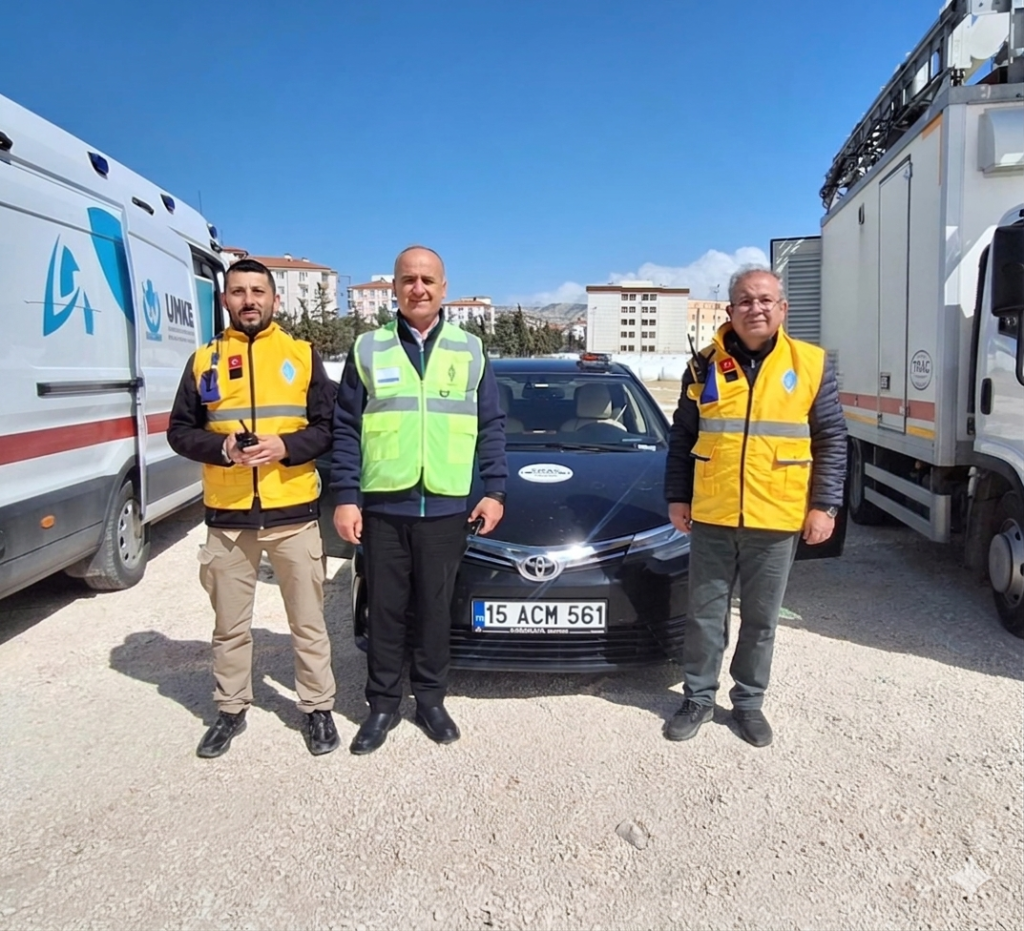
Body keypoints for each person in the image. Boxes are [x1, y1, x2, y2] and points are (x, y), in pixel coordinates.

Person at [331, 245, 507, 755]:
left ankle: (430, 700)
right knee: (385, 611)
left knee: (435, 610)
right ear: (394, 288)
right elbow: (346, 430)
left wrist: (494, 490)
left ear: (444, 287)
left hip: (449, 508)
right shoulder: (369, 348)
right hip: (385, 508)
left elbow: (491, 426)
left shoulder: (469, 350)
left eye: (428, 279)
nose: (419, 288)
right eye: (408, 279)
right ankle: (382, 704)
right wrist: (346, 497)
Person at [663, 265, 847, 747]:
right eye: (745, 300)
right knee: (704, 614)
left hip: (777, 515)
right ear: (730, 311)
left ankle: (748, 703)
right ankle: (699, 698)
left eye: (766, 299)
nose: (756, 308)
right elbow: (683, 436)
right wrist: (677, 496)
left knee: (762, 619)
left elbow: (831, 438)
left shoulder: (811, 364)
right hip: (713, 513)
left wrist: (824, 505)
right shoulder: (703, 365)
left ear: (783, 309)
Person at [168, 258, 339, 759]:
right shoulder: (204, 360)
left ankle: (316, 708)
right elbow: (179, 430)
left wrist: (285, 446)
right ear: (225, 300)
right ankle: (230, 708)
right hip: (228, 514)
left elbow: (329, 428)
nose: (249, 300)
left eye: (258, 291)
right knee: (229, 625)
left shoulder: (302, 355)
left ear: (274, 299)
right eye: (238, 291)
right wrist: (222, 450)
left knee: (308, 621)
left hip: (293, 513)